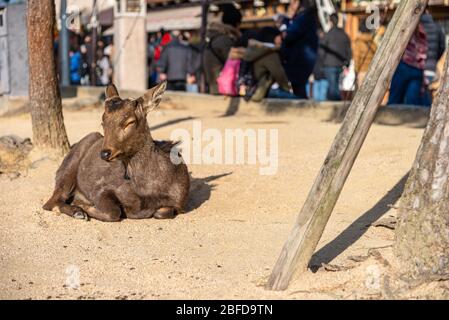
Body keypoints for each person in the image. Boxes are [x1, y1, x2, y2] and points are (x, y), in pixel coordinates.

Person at [281, 0, 319, 99]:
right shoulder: (309, 18)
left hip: (300, 60)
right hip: (305, 58)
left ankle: (301, 110)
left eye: (294, 2)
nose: (291, 5)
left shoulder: (303, 18)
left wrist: (286, 20)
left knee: (298, 89)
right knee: (299, 88)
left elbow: (288, 36)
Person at [242, 27, 292, 102]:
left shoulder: (254, 51)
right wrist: (287, 89)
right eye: (279, 37)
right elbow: (279, 74)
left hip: (251, 91)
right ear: (273, 37)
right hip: (265, 91)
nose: (281, 40)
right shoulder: (270, 53)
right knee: (299, 100)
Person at [203, 3, 242, 94]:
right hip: (222, 88)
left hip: (214, 85)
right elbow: (233, 63)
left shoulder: (213, 36)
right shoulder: (225, 40)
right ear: (237, 24)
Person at [388, 23, 428, 106]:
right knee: (413, 101)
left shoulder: (405, 24)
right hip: (419, 68)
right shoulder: (427, 29)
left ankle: (391, 116)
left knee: (395, 99)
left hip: (404, 64)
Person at [321, 13, 352, 101]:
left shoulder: (328, 35)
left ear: (330, 22)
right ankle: (335, 104)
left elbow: (322, 51)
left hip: (328, 64)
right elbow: (349, 50)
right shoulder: (344, 35)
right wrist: (347, 63)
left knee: (332, 87)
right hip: (339, 64)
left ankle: (336, 104)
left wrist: (320, 64)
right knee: (334, 85)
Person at [420, 10, 446, 102]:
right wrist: (435, 59)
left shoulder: (416, 27)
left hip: (416, 68)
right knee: (428, 97)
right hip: (431, 69)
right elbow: (442, 47)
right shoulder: (437, 27)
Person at [352, 18, 377, 87]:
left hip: (362, 72)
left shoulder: (358, 43)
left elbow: (356, 58)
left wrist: (356, 71)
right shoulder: (373, 43)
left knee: (361, 94)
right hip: (372, 72)